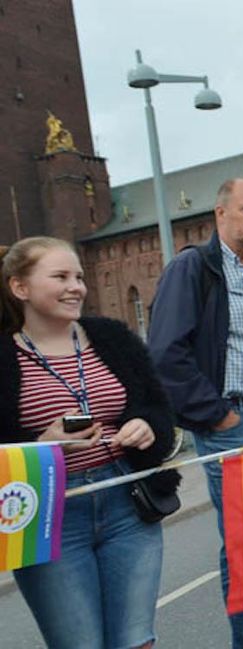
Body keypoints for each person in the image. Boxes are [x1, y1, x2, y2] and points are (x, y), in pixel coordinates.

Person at [1, 237, 178, 649]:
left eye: (79, 277)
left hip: (127, 501)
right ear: (20, 287)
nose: (76, 287)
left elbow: (158, 406)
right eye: (60, 277)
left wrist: (146, 426)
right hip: (49, 514)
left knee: (136, 640)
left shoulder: (111, 337)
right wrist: (41, 445)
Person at [148, 178, 243, 649]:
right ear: (220, 213)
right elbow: (166, 353)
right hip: (233, 423)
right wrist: (216, 414)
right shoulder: (195, 267)